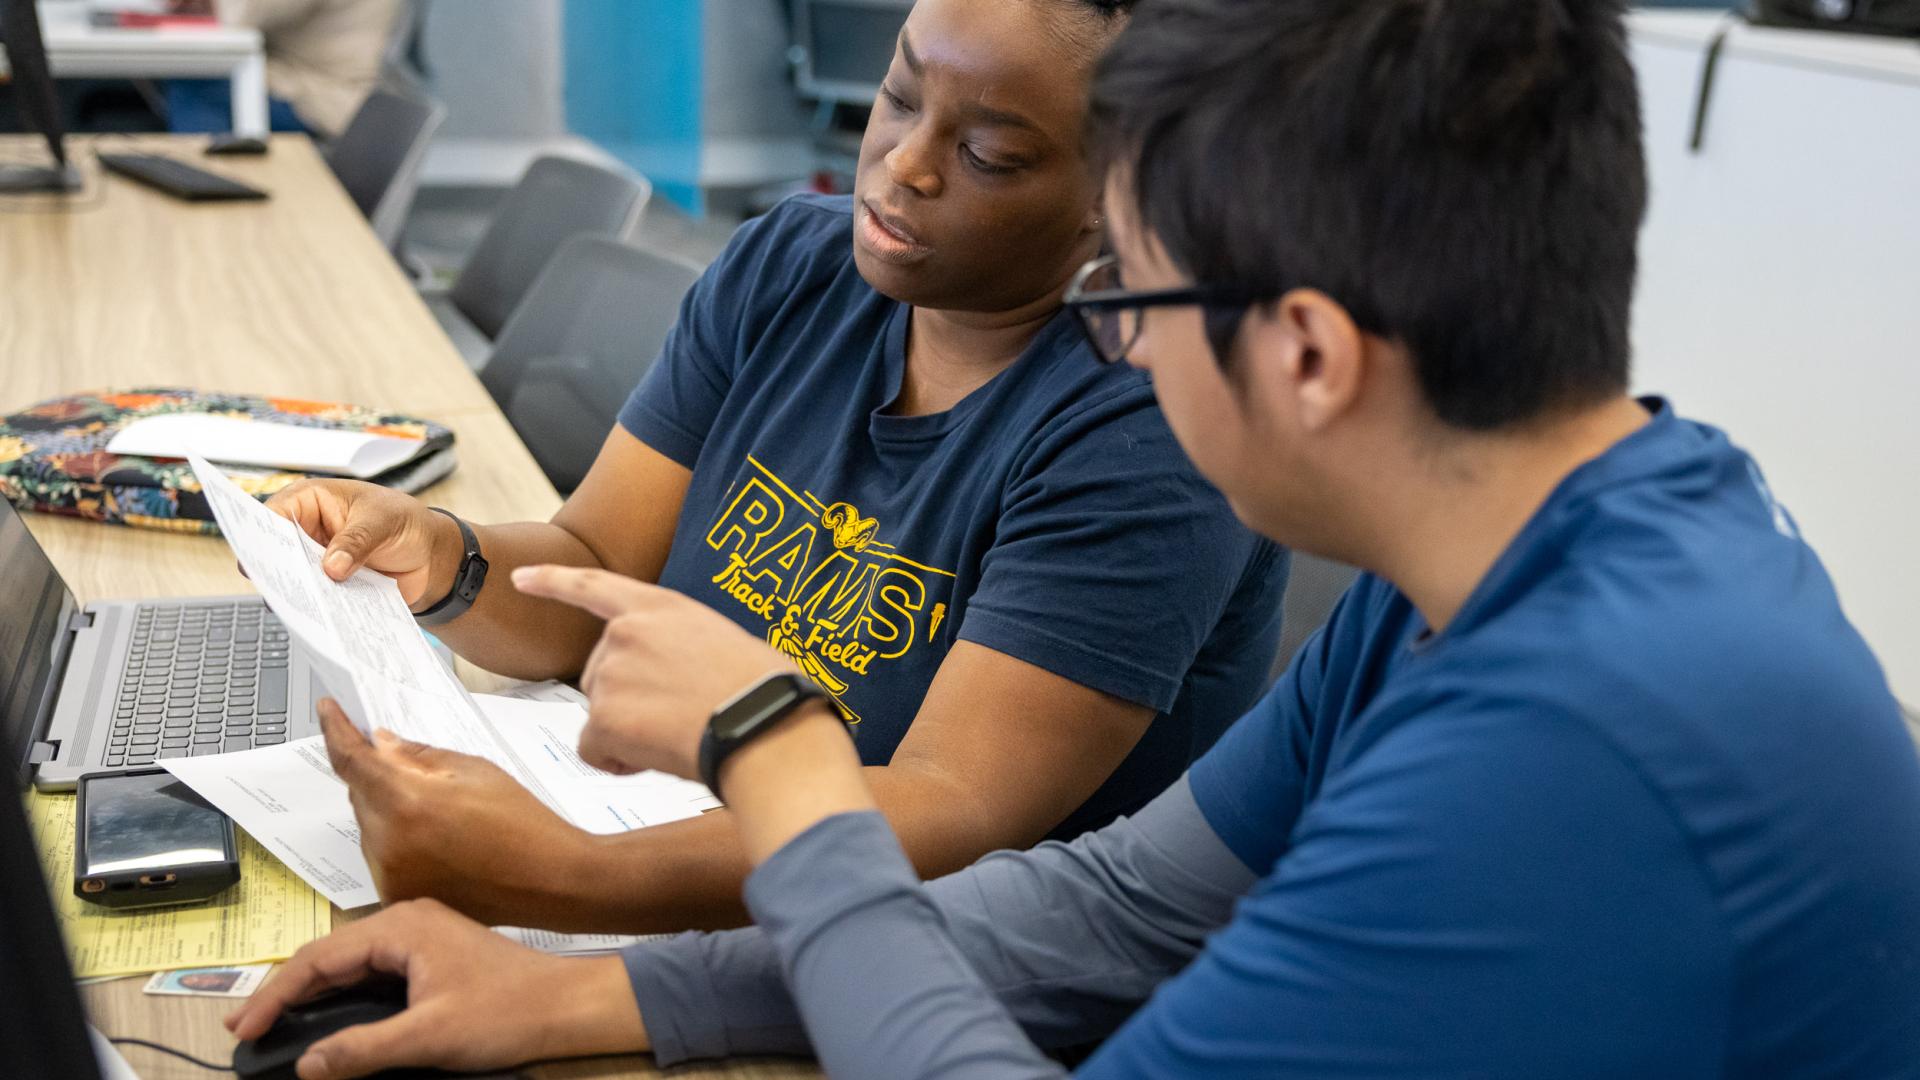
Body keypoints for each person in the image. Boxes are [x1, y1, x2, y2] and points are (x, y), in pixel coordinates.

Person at [228, 0, 1920, 1076]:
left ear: (1310, 353)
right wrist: (583, 998)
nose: (1112, 339)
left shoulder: (1583, 741)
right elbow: (1105, 917)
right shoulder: (1502, 563)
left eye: (1131, 291)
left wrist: (778, 755)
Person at [269, 0, 1286, 935]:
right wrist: (447, 557)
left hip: (908, 956)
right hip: (676, 844)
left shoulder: (1148, 430)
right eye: (897, 97)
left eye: (987, 155)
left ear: (1121, 204)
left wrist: (561, 866)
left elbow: (949, 810)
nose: (904, 165)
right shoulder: (792, 267)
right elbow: (592, 565)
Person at [165, 0, 406, 138]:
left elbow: (236, 17)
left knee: (199, 82)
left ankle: (209, 188)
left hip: (324, 95)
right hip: (307, 79)